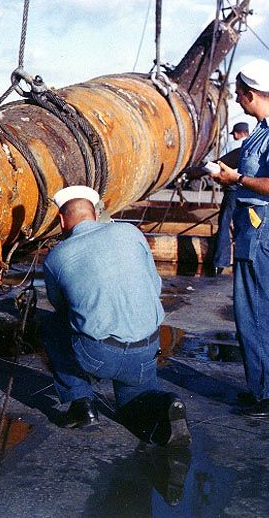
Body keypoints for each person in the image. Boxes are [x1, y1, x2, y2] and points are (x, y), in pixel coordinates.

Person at [40, 185, 191, 446]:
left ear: (62, 221)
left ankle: (82, 404)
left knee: (51, 326)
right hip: (147, 349)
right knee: (134, 398)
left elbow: (61, 308)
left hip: (98, 357)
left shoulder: (55, 258)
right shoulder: (131, 232)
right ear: (95, 215)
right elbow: (154, 286)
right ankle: (165, 403)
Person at [210, 59, 269, 419]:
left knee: (261, 310)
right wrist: (219, 164)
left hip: (264, 223)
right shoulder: (264, 130)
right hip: (254, 223)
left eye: (238, 94)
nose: (236, 99)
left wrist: (237, 181)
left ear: (250, 95)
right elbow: (248, 160)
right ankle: (263, 389)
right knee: (248, 310)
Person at [211, 121, 250, 272]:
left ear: (241, 133)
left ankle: (220, 263)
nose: (233, 135)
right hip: (247, 189)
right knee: (244, 226)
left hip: (232, 189)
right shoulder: (252, 144)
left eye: (234, 133)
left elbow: (220, 165)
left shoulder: (230, 145)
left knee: (225, 224)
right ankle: (242, 263)